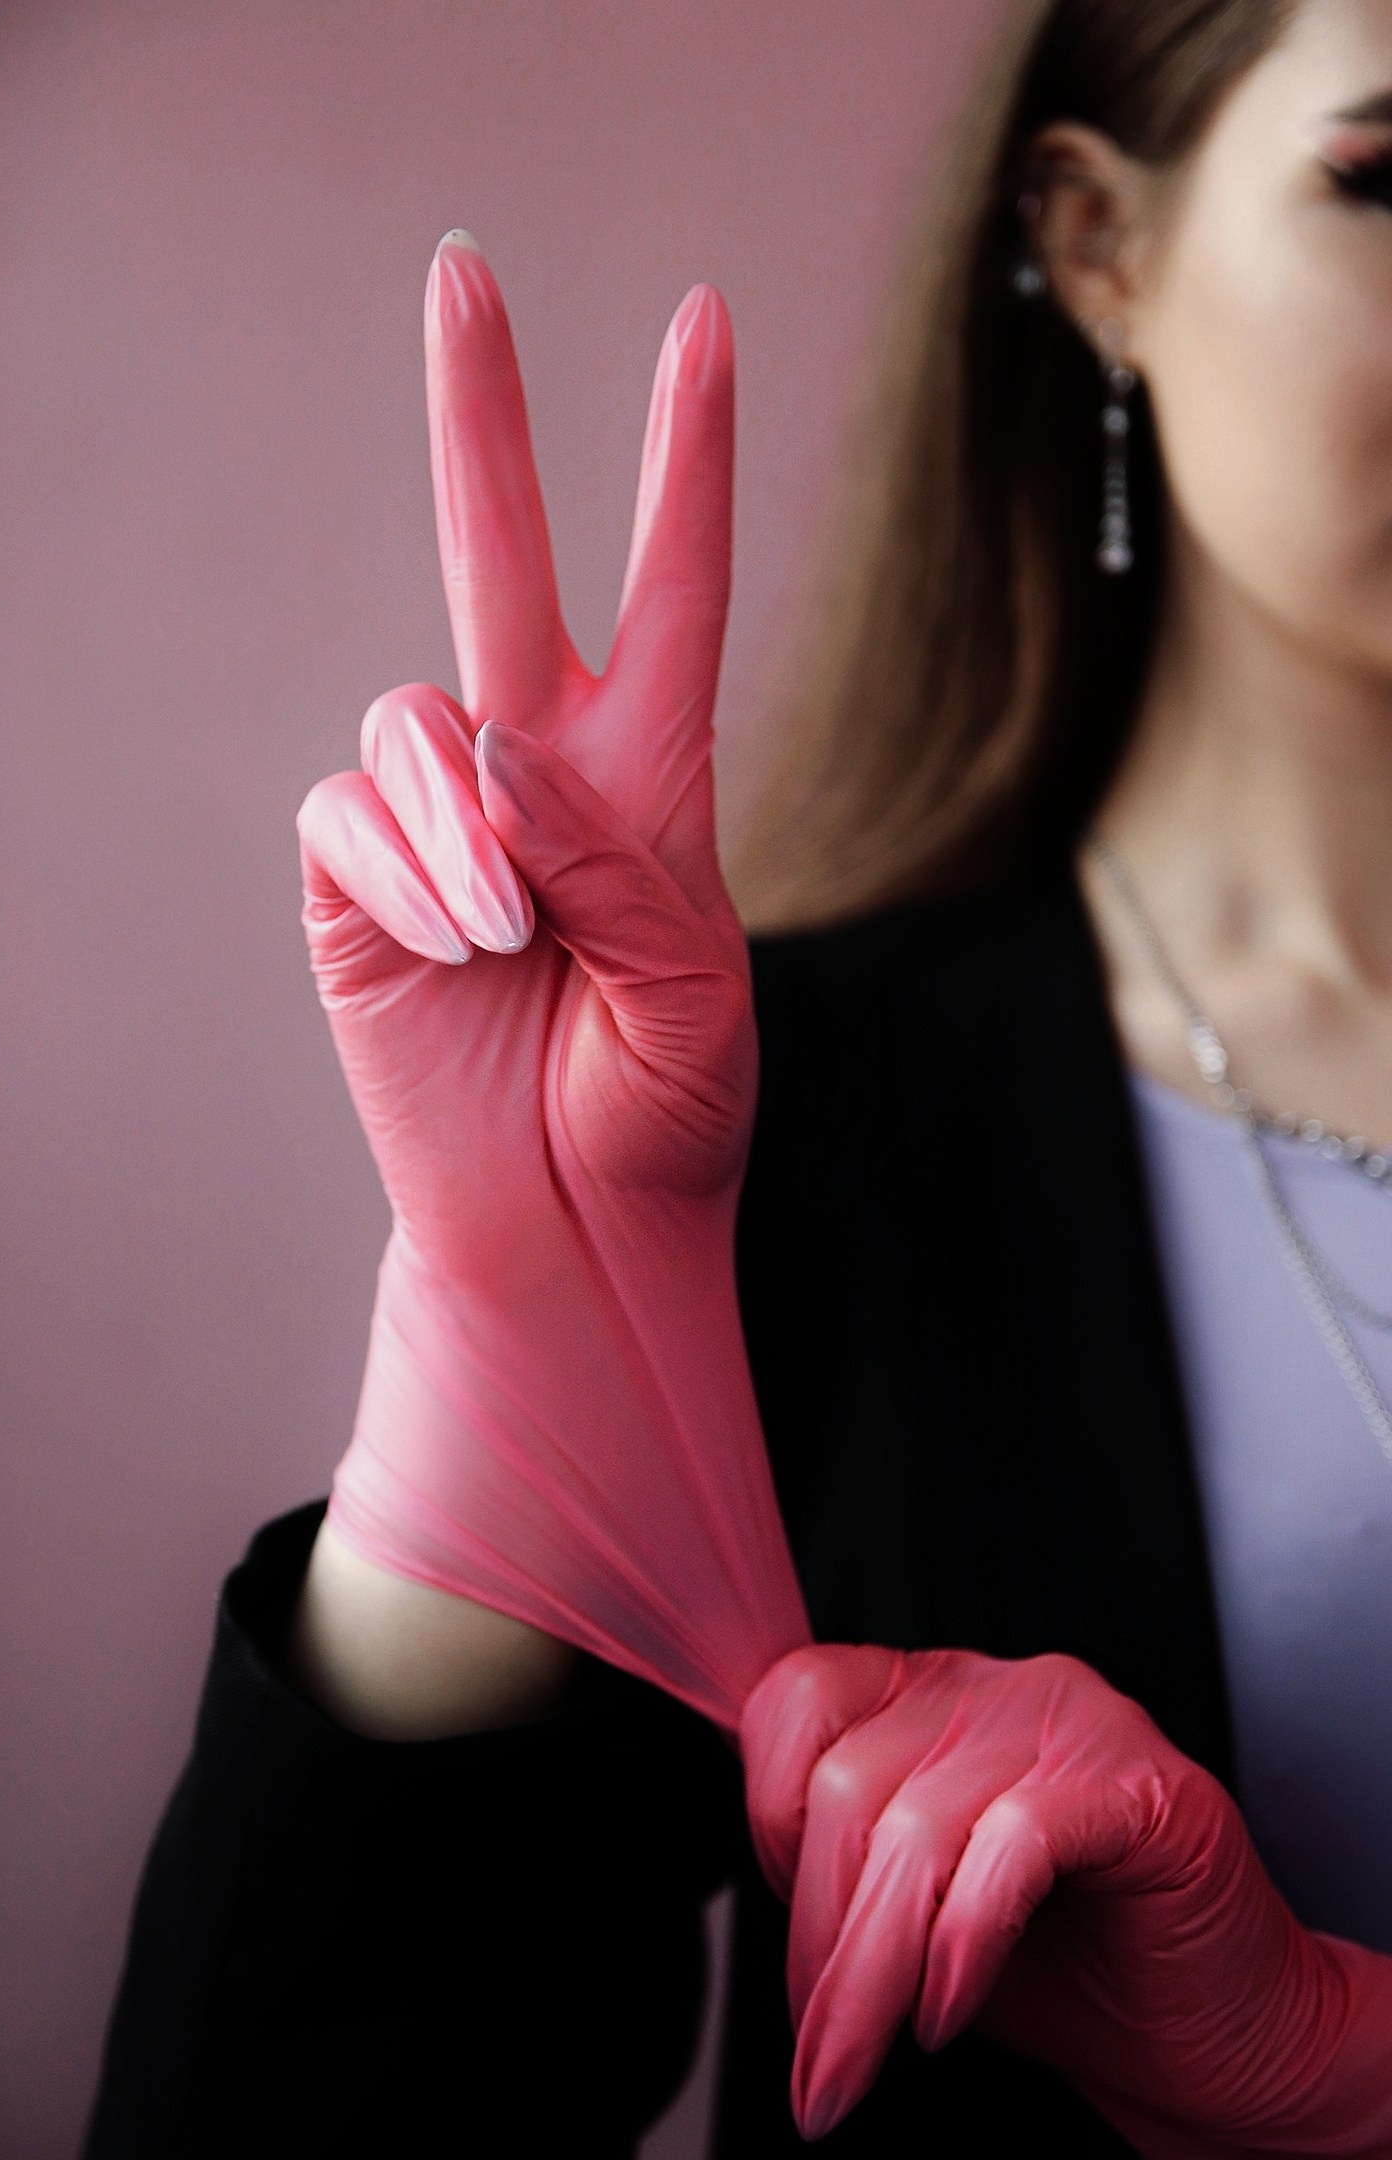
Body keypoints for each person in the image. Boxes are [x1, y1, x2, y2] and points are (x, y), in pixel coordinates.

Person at [81, 0, 1392, 2152]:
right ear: (1100, 249)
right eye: (1387, 178)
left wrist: (1350, 2065)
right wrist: (452, 1513)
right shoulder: (766, 1129)